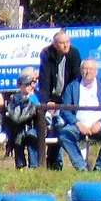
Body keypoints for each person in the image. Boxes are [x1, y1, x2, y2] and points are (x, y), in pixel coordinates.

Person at [56, 58, 101, 171]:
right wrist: (77, 123)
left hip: (100, 125)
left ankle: (100, 167)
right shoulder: (72, 87)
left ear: (96, 71)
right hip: (78, 126)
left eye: (91, 69)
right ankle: (81, 166)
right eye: (85, 69)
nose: (88, 72)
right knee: (64, 135)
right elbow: (65, 110)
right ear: (81, 71)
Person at [38, 30, 83, 169]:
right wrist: (46, 102)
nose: (65, 46)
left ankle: (55, 161)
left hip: (68, 98)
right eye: (62, 43)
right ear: (55, 44)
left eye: (67, 42)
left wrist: (67, 103)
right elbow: (44, 79)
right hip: (52, 96)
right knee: (51, 124)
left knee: (60, 124)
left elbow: (76, 80)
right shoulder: (46, 54)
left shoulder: (74, 54)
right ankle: (52, 161)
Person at [2, 68, 44, 169]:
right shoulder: (14, 98)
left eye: (32, 83)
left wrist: (30, 102)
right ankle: (20, 166)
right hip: (18, 128)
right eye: (27, 84)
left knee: (31, 136)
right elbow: (15, 117)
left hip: (34, 127)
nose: (30, 86)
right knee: (18, 138)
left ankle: (34, 166)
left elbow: (40, 113)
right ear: (20, 85)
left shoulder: (38, 97)